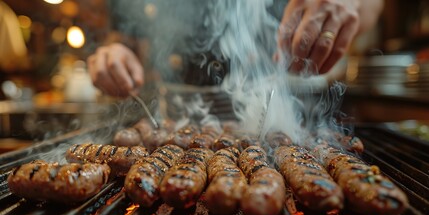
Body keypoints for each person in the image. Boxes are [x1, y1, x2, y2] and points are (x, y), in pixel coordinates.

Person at [87, 0, 384, 98]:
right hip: (180, 132)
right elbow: (122, 35)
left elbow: (372, 5)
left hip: (301, 120)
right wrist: (114, 53)